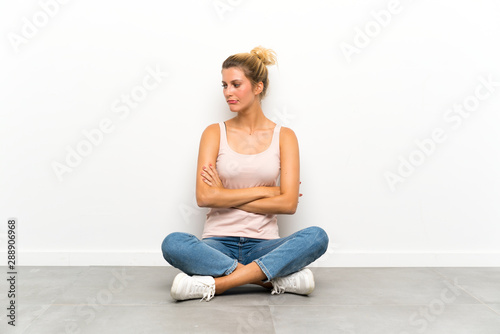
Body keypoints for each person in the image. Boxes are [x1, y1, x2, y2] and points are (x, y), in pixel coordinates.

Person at [161, 46, 329, 302]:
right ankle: (269, 279)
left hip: (264, 244)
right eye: (224, 85)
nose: (228, 92)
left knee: (317, 237)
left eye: (236, 84)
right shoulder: (213, 133)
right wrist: (267, 191)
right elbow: (204, 198)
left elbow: (288, 204)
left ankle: (217, 284)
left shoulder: (284, 137)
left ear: (258, 87)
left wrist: (223, 194)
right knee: (173, 243)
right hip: (217, 244)